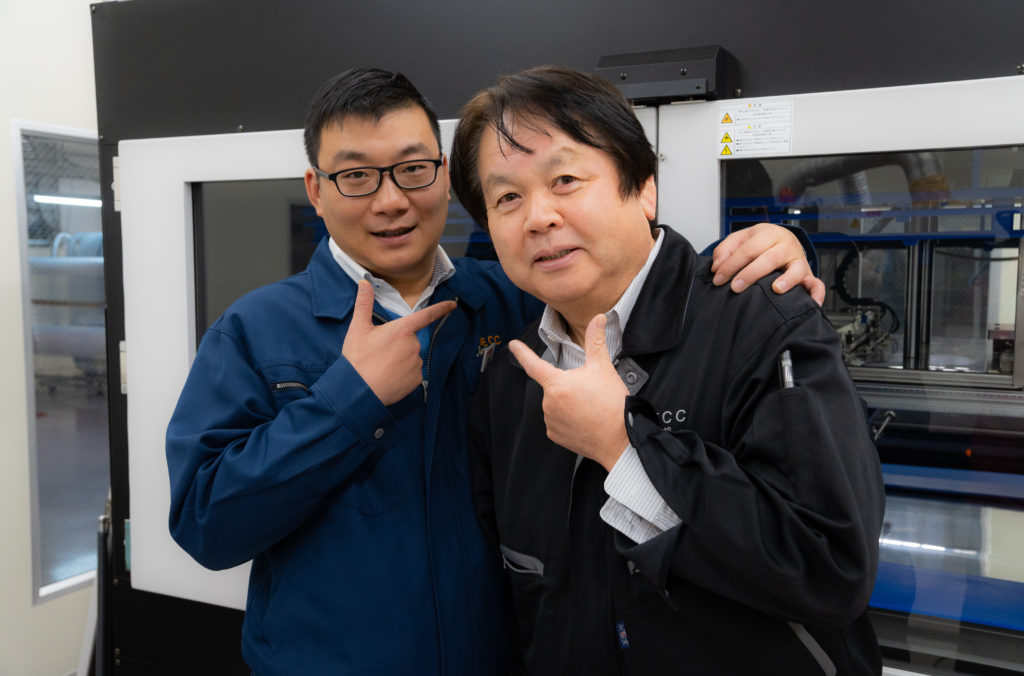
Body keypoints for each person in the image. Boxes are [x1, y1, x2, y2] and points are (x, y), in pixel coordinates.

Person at [165, 67, 822, 675]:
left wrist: (764, 256)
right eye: (356, 176)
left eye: (413, 170)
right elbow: (205, 524)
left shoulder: (511, 299)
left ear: (444, 177)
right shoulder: (256, 331)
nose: (390, 201)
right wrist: (347, 401)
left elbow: (622, 267)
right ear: (316, 189)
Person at [451, 66, 885, 675]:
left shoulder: (761, 321)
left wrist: (623, 449)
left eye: (566, 180)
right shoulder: (512, 376)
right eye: (507, 199)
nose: (538, 217)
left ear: (644, 189)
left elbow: (829, 569)